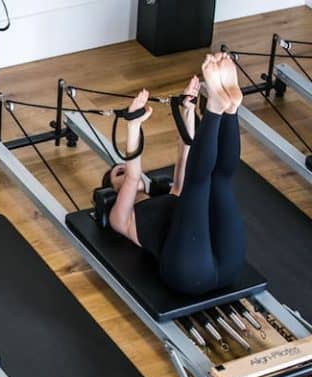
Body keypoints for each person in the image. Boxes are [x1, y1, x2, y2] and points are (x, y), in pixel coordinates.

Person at [102, 53, 245, 296]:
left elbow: (185, 153)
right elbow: (134, 175)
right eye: (118, 173)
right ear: (112, 188)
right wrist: (133, 125)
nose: (123, 170)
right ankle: (216, 108)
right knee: (199, 186)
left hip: (228, 265)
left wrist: (187, 109)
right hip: (187, 274)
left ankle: (230, 108)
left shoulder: (173, 194)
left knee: (218, 181)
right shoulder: (121, 218)